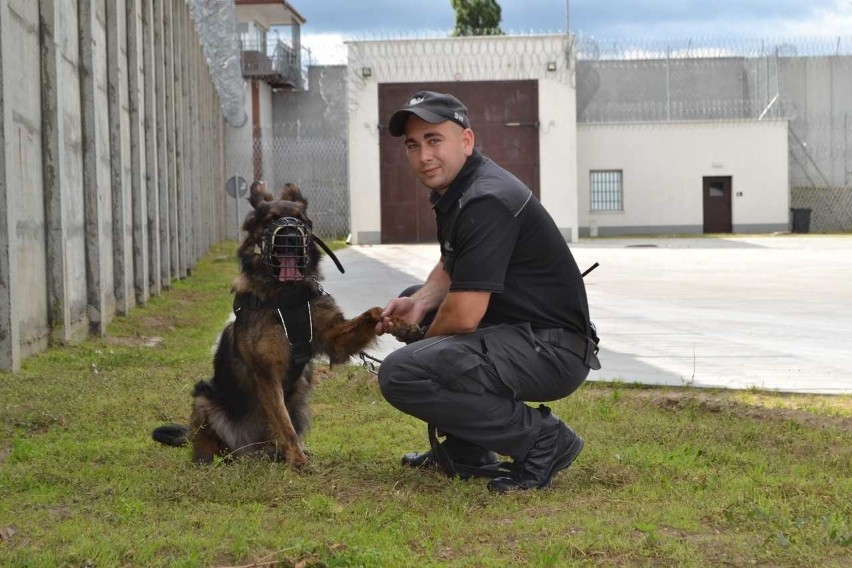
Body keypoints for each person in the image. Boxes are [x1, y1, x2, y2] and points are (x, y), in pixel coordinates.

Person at [376, 91, 600, 493]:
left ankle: (542, 440)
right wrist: (420, 302)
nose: (424, 155)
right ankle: (468, 449)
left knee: (403, 372)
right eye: (413, 145)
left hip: (552, 351)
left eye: (434, 140)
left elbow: (463, 316)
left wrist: (419, 349)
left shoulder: (486, 199)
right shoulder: (460, 188)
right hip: (522, 332)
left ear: (465, 141)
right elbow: (451, 265)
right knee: (420, 302)